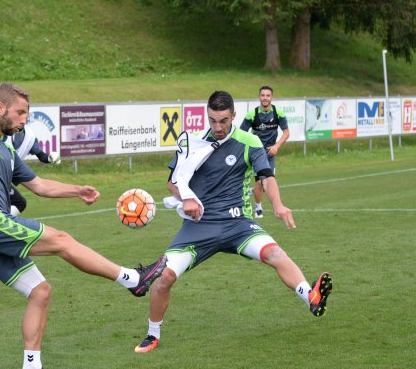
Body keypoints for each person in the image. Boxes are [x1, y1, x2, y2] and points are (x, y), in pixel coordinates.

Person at [0, 82, 167, 369]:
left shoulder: (6, 148)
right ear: (0, 108)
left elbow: (38, 185)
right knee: (62, 240)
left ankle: (32, 365)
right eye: (20, 112)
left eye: (27, 114)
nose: (24, 120)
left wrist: (77, 190)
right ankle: (133, 280)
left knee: (40, 291)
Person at [133, 90, 331, 354]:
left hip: (237, 225)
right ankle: (152, 335)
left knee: (275, 253)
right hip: (199, 227)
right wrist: (187, 198)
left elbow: (266, 177)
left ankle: (311, 297)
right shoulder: (193, 143)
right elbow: (172, 182)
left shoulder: (249, 141)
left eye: (223, 121)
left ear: (234, 116)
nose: (218, 127)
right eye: (213, 120)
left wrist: (278, 204)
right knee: (163, 277)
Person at [240, 85, 290, 218]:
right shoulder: (252, 115)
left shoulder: (278, 113)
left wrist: (276, 146)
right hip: (256, 154)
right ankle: (258, 208)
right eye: (263, 95)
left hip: (270, 154)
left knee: (267, 183)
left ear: (271, 97)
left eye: (268, 95)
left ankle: (254, 192)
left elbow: (286, 132)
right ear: (259, 97)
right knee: (260, 182)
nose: (265, 98)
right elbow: (241, 134)